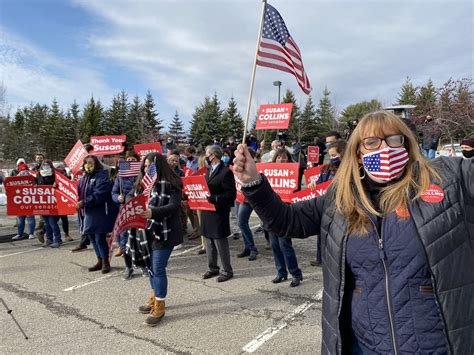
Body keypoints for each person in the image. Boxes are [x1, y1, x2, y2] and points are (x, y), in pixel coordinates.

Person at [233, 111, 473, 354]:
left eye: (393, 139)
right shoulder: (340, 199)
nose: (385, 149)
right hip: (365, 345)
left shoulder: (448, 179)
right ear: (358, 154)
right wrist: (253, 182)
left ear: (406, 144)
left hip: (437, 344)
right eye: (372, 143)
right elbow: (287, 221)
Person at [130, 152, 183, 327]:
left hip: (165, 232)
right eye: (145, 165)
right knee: (150, 267)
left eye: (150, 165)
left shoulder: (172, 183)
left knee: (158, 268)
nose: (147, 168)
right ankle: (154, 296)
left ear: (158, 166)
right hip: (146, 232)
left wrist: (153, 212)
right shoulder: (142, 186)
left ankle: (160, 306)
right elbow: (133, 200)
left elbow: (173, 206)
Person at [263, 148, 303, 287]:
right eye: (278, 157)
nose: (281, 159)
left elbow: (296, 192)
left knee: (285, 245)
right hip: (270, 213)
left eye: (284, 157)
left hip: (285, 213)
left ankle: (296, 274)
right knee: (275, 245)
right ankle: (281, 272)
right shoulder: (269, 173)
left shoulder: (293, 173)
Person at [200, 145, 236, 282]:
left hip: (218, 211)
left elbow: (231, 194)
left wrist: (215, 198)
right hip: (207, 211)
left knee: (220, 242)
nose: (205, 157)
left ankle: (227, 270)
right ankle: (213, 267)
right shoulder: (208, 171)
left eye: (207, 154)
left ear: (213, 156)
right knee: (208, 241)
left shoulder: (225, 172)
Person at [77, 155, 118, 273]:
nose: (88, 165)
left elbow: (99, 194)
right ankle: (99, 260)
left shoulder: (102, 176)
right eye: (86, 162)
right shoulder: (84, 177)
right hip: (87, 212)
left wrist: (84, 202)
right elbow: (79, 190)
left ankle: (106, 262)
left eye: (90, 163)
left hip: (100, 212)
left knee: (99, 237)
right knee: (91, 236)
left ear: (96, 164)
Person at [309, 140, 347, 267]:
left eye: (334, 155)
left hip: (343, 208)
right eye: (330, 156)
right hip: (327, 206)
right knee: (322, 234)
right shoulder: (326, 169)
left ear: (343, 154)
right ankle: (321, 258)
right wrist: (313, 185)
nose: (332, 159)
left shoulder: (350, 169)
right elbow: (319, 184)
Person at [112, 150, 140, 280]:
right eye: (128, 160)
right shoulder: (120, 176)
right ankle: (128, 267)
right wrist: (117, 197)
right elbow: (114, 192)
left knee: (140, 239)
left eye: (133, 159)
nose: (130, 162)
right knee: (124, 239)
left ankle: (142, 263)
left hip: (140, 211)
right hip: (124, 212)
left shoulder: (143, 175)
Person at [235, 148, 258, 261]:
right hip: (238, 197)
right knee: (241, 224)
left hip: (248, 200)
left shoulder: (254, 166)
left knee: (241, 222)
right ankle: (247, 247)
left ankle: (252, 248)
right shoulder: (237, 165)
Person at [36, 160, 63, 248]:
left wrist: (57, 184)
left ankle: (58, 240)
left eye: (47, 165)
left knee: (52, 222)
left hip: (53, 202)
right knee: (46, 223)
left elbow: (62, 185)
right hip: (43, 201)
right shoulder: (38, 174)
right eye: (44, 165)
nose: (46, 166)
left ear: (51, 166)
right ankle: (49, 239)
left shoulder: (55, 174)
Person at [11, 166, 36, 240]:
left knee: (30, 218)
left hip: (29, 201)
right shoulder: (16, 181)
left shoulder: (32, 179)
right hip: (20, 202)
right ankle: (20, 234)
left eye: (25, 171)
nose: (23, 173)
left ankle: (31, 233)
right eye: (22, 172)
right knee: (20, 219)